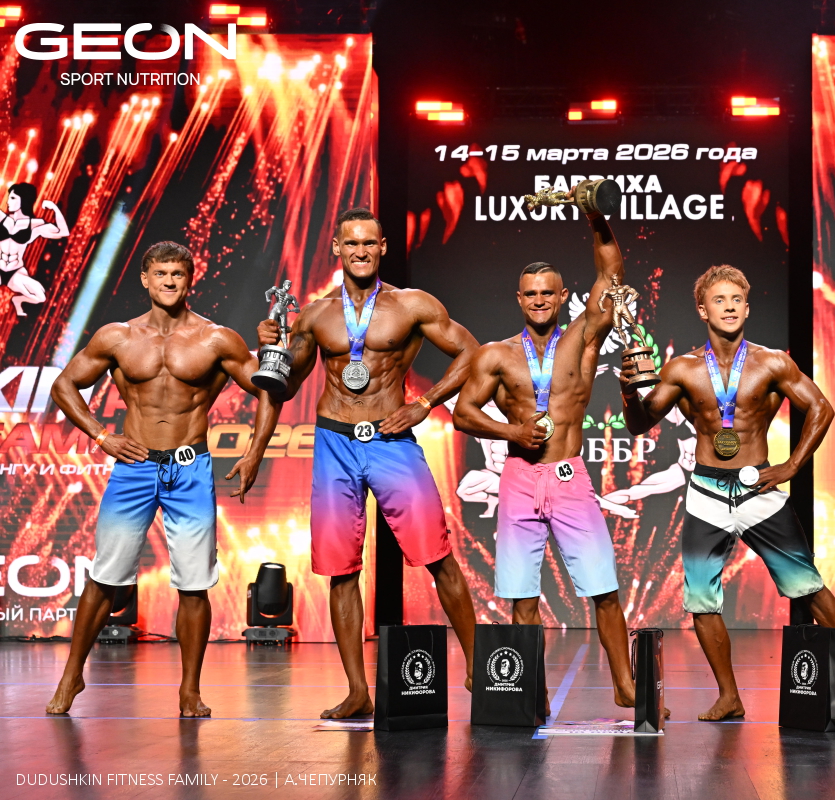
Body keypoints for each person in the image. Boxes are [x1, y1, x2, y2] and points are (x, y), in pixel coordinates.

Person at [620, 264, 835, 721]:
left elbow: (821, 408)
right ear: (703, 310)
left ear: (747, 307)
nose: (729, 308)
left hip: (758, 486)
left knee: (806, 585)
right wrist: (627, 395)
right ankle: (729, 695)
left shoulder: (772, 362)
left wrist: (792, 466)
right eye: (719, 300)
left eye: (736, 300)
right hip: (706, 491)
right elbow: (642, 423)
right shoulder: (682, 369)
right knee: (701, 599)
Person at [257, 208, 479, 719]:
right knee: (340, 571)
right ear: (337, 247)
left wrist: (425, 404)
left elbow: (472, 353)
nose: (360, 251)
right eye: (351, 243)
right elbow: (285, 386)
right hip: (334, 441)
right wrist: (271, 351)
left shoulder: (412, 305)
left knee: (438, 556)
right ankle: (358, 691)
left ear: (382, 247)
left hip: (391, 439)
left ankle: (476, 667)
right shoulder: (315, 315)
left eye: (368, 243)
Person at [45, 241, 281, 717]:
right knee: (105, 577)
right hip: (133, 467)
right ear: (145, 279)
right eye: (161, 273)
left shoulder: (217, 339)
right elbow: (63, 385)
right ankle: (72, 675)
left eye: (178, 274)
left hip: (190, 468)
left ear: (190, 279)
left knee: (194, 584)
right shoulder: (118, 337)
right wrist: (101, 436)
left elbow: (271, 389)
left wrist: (255, 450)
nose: (170, 282)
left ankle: (189, 690)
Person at [453, 198, 644, 713]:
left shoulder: (584, 337)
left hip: (567, 475)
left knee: (603, 587)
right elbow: (463, 413)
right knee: (521, 595)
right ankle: (528, 694)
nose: (540, 301)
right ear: (520, 298)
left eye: (548, 293)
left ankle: (625, 686)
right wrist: (511, 430)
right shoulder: (496, 354)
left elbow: (611, 273)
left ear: (563, 296)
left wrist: (595, 216)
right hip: (519, 477)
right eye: (531, 294)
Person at [1, 182, 70, 316]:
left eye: (13, 198)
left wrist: (54, 208)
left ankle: (18, 300)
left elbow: (63, 232)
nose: (8, 201)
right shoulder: (3, 219)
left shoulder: (34, 224)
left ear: (24, 200)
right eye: (9, 197)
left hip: (15, 271)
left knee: (40, 297)